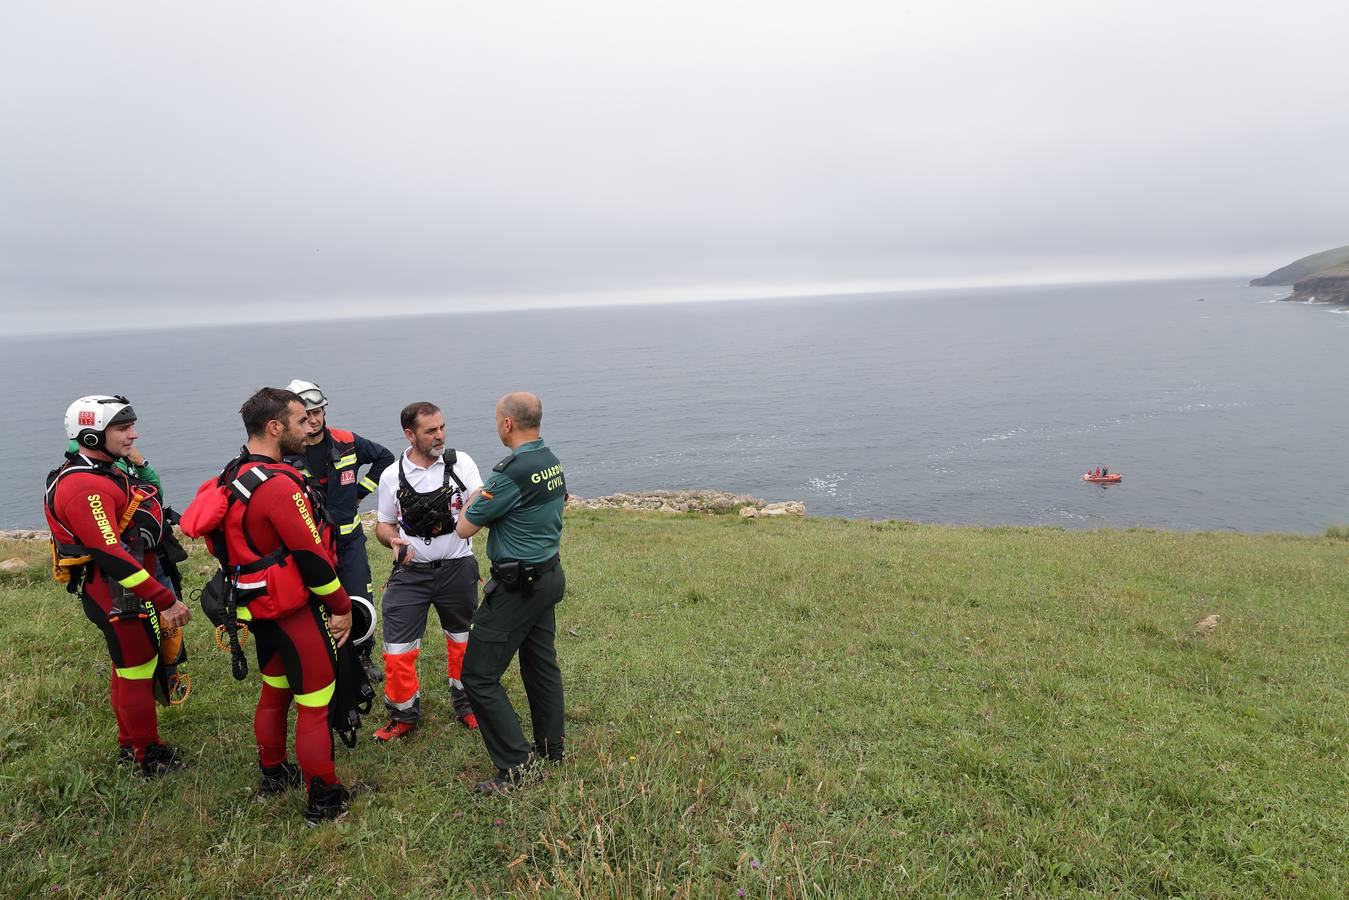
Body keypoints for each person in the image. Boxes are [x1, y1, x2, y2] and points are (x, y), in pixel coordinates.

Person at [184, 387, 366, 824]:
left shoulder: (233, 475)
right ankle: (325, 798)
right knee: (315, 701)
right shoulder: (279, 487)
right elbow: (312, 558)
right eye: (302, 421)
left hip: (252, 608)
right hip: (290, 612)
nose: (310, 428)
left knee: (275, 691)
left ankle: (273, 772)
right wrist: (342, 607)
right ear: (275, 427)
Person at [43, 395, 192, 776]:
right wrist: (164, 599)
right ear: (92, 435)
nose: (134, 435)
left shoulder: (103, 469)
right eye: (123, 429)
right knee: (137, 674)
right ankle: (146, 756)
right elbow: (109, 551)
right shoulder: (84, 485)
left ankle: (132, 744)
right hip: (119, 593)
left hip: (123, 588)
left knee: (128, 670)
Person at [456, 392, 567, 794]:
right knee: (541, 664)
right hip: (549, 576)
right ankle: (551, 748)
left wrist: (480, 494)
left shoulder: (511, 473)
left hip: (518, 587)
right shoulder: (550, 461)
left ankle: (517, 766)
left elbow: (465, 527)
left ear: (507, 424)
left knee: (478, 676)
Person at [372, 402, 484, 741]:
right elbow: (383, 525)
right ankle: (403, 714)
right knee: (398, 648)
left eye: (442, 427)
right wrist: (393, 541)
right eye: (430, 431)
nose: (440, 436)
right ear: (410, 434)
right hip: (411, 575)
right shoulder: (392, 476)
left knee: (464, 640)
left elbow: (479, 496)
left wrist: (474, 504)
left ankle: (470, 705)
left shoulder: (460, 462)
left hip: (457, 569)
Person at [284, 379, 393, 682]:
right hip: (311, 544)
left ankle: (362, 656)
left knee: (359, 596)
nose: (313, 420)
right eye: (305, 416)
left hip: (349, 540)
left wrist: (360, 492)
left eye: (317, 412)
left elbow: (385, 457)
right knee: (314, 601)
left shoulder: (346, 440)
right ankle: (322, 657)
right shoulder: (285, 453)